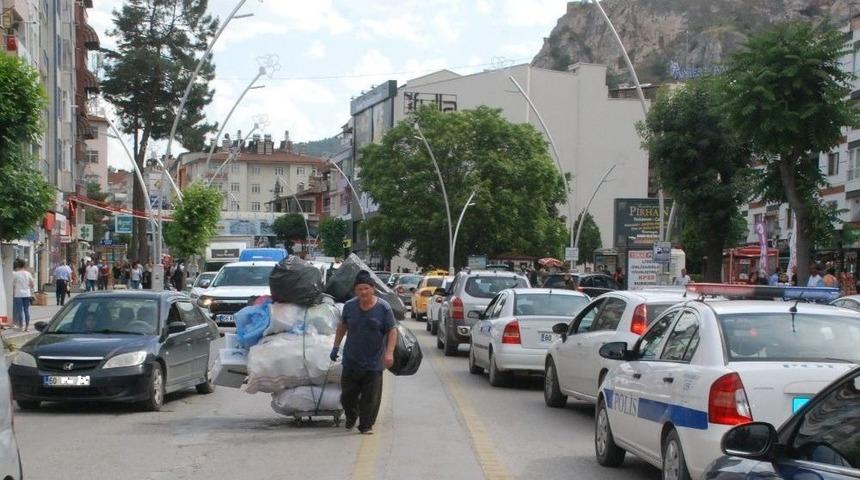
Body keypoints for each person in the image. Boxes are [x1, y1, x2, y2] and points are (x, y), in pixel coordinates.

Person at [330, 271, 396, 435]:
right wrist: (335, 347)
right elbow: (342, 327)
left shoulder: (383, 308)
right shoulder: (349, 306)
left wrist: (389, 353)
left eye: (366, 288)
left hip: (374, 361)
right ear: (355, 290)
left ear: (373, 289)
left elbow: (392, 330)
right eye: (360, 289)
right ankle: (351, 415)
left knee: (370, 397)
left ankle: (366, 425)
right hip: (351, 359)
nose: (363, 292)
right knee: (347, 396)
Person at [12, 259, 35, 331]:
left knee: (20, 311)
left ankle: (21, 326)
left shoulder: (15, 274)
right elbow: (32, 284)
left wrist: (13, 294)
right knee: (26, 310)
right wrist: (28, 287)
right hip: (27, 294)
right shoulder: (28, 273)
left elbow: (13, 285)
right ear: (24, 265)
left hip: (18, 294)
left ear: (18, 265)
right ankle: (27, 327)